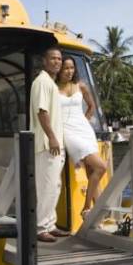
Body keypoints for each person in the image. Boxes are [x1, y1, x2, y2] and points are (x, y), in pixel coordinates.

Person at [56, 56, 107, 219]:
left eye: (72, 68)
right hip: (69, 132)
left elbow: (92, 106)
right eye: (66, 68)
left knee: (92, 170)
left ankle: (97, 213)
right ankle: (86, 208)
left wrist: (84, 120)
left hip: (84, 130)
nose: (69, 71)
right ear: (60, 70)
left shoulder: (81, 85)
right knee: (101, 167)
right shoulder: (54, 88)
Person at [29, 46, 70, 242]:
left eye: (59, 59)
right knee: (46, 187)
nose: (57, 62)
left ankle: (50, 224)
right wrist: (52, 137)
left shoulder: (51, 84)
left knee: (55, 186)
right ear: (44, 61)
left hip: (55, 145)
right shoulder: (42, 82)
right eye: (53, 58)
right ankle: (40, 228)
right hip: (47, 145)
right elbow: (41, 111)